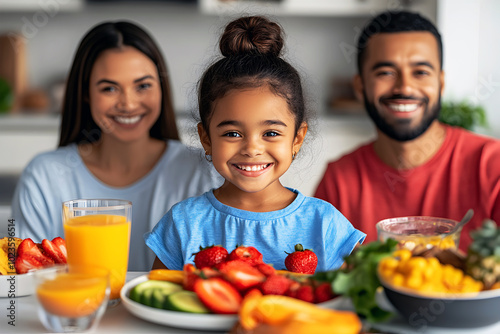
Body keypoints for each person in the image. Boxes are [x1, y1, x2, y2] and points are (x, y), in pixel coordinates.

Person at [145, 16, 365, 271]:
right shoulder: (183, 223)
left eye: (270, 133)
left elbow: (358, 296)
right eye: (233, 134)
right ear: (206, 139)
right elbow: (157, 299)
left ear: (297, 139)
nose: (252, 149)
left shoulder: (325, 223)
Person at [11, 21, 221, 271]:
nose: (129, 104)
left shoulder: (202, 170)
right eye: (109, 88)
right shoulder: (45, 176)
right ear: (86, 93)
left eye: (143, 86)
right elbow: (24, 282)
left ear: (161, 88)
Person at [314, 11, 500, 250]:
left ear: (440, 83)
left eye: (421, 72)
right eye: (385, 73)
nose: (404, 87)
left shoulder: (492, 165)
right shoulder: (339, 181)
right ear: (360, 87)